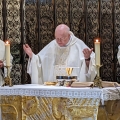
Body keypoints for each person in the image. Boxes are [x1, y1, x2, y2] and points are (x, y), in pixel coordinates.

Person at [23, 24, 96, 84]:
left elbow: (91, 68)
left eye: (61, 38)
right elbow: (40, 61)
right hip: (54, 87)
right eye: (57, 38)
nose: (58, 41)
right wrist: (32, 56)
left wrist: (87, 58)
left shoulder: (78, 45)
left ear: (68, 35)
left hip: (73, 87)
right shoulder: (53, 45)